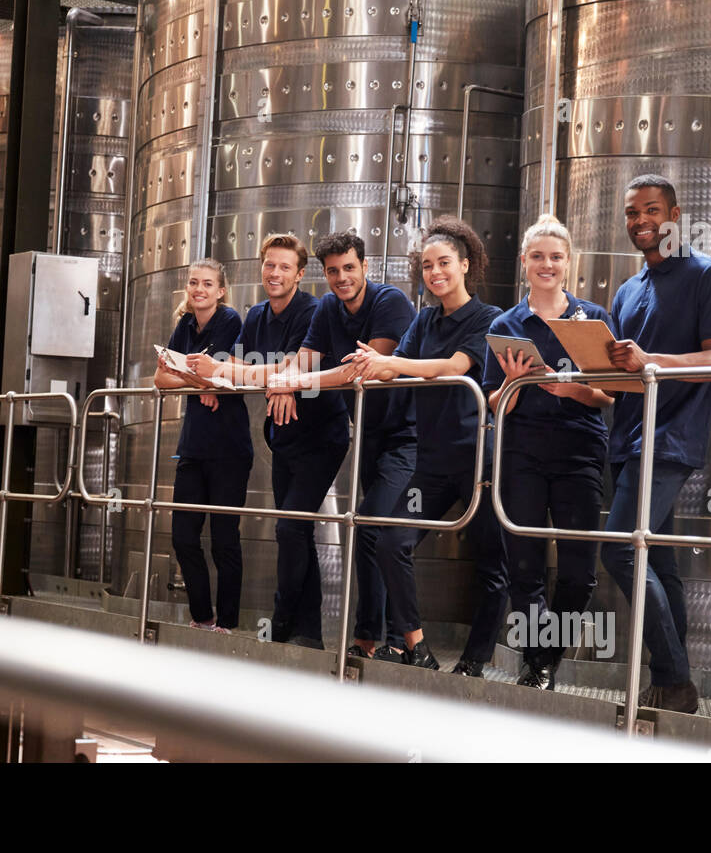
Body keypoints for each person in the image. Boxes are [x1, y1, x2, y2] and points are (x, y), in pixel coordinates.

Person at [601, 174, 711, 714]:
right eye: (632, 213)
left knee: (618, 549)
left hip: (670, 439)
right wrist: (566, 372)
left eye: (651, 210)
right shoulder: (628, 290)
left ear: (675, 214)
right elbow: (621, 376)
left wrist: (651, 363)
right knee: (659, 560)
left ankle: (674, 679)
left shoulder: (710, 276)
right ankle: (672, 689)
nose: (640, 221)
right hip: (626, 440)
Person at [344, 216, 507, 672]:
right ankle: (417, 646)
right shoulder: (424, 321)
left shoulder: (489, 318)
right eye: (428, 265)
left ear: (465, 265)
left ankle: (474, 664)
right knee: (391, 541)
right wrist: (370, 365)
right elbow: (396, 363)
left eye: (445, 263)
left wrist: (393, 364)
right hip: (432, 464)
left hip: (477, 461)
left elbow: (454, 367)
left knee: (493, 564)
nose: (436, 273)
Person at [260, 232, 417, 661]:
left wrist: (297, 380)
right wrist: (282, 382)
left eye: (349, 268)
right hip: (368, 434)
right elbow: (308, 357)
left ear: (365, 267)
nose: (341, 278)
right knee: (368, 534)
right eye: (333, 271)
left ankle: (401, 642)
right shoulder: (329, 307)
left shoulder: (391, 302)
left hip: (407, 437)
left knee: (378, 532)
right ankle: (368, 640)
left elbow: (362, 371)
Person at [188, 235, 349, 650]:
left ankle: (280, 624)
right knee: (297, 532)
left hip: (321, 436)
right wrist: (221, 373)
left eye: (283, 267)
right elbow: (247, 366)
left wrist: (273, 378)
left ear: (299, 274)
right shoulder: (257, 314)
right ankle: (308, 633)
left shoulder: (312, 310)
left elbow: (295, 367)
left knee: (289, 528)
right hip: (282, 437)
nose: (274, 274)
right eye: (269, 266)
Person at [483, 214, 615, 690]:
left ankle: (545, 659)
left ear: (568, 263)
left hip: (579, 452)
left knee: (580, 574)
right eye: (537, 256)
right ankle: (538, 667)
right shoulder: (505, 325)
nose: (547, 264)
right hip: (521, 453)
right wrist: (516, 384)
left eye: (555, 257)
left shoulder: (592, 319)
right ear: (524, 262)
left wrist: (574, 391)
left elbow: (609, 395)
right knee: (525, 565)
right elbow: (491, 401)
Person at [153, 259, 253, 634]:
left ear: (221, 290)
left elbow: (221, 373)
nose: (199, 289)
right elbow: (162, 377)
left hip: (228, 449)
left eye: (208, 284)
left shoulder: (229, 322)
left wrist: (199, 378)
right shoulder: (185, 325)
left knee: (224, 541)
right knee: (182, 536)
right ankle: (202, 617)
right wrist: (199, 383)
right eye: (194, 283)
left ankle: (226, 624)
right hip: (193, 448)